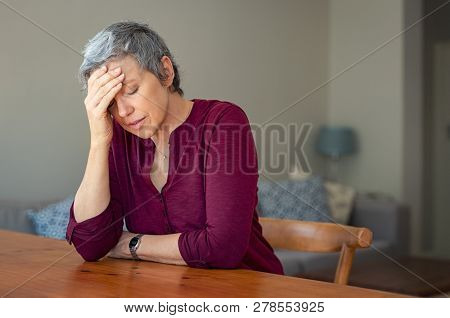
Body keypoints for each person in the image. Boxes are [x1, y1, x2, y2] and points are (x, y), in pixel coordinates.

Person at [66, 21, 284, 275]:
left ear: (165, 71)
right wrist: (98, 141)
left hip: (246, 290)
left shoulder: (222, 121)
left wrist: (129, 243)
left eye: (132, 90)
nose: (123, 112)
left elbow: (223, 248)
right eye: (110, 104)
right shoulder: (119, 138)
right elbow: (91, 245)